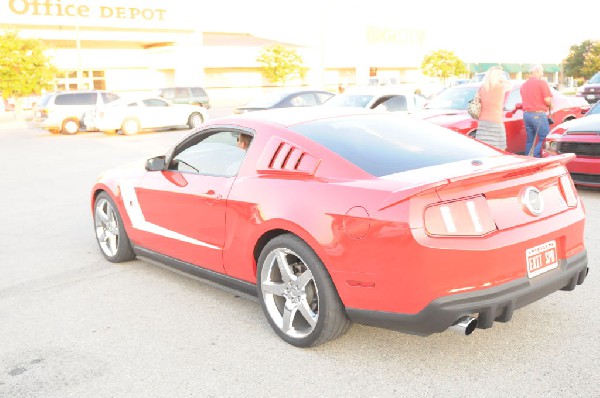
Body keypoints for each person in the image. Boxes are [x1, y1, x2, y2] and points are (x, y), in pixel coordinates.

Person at [520, 64, 553, 157]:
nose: (542, 73)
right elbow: (547, 100)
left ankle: (528, 160)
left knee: (530, 139)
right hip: (538, 114)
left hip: (526, 114)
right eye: (542, 71)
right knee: (544, 137)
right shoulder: (542, 83)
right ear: (538, 71)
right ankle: (536, 157)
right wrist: (551, 105)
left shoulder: (524, 84)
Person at [476, 66, 509, 150]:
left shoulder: (482, 88)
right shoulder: (501, 87)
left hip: (482, 122)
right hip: (496, 122)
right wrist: (502, 79)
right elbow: (510, 85)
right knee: (499, 149)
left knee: (483, 148)